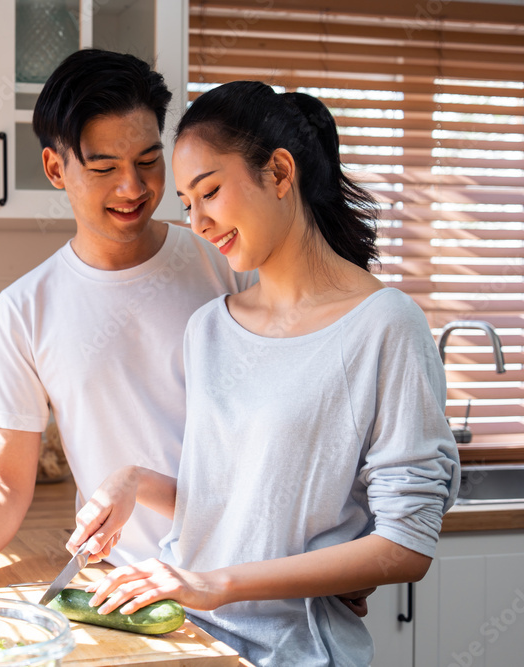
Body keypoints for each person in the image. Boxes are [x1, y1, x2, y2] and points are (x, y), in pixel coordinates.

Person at [69, 81, 460, 666]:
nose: (197, 221)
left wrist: (214, 584)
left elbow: (406, 546)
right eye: (186, 204)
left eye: (210, 192)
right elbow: (245, 511)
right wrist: (135, 482)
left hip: (295, 651)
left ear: (279, 173)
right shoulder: (209, 330)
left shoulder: (384, 326)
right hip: (189, 638)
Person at [0, 50, 256, 597]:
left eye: (150, 160)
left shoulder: (224, 257)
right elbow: (6, 485)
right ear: (56, 169)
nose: (132, 187)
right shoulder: (25, 311)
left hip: (251, 570)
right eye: (104, 168)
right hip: (127, 586)